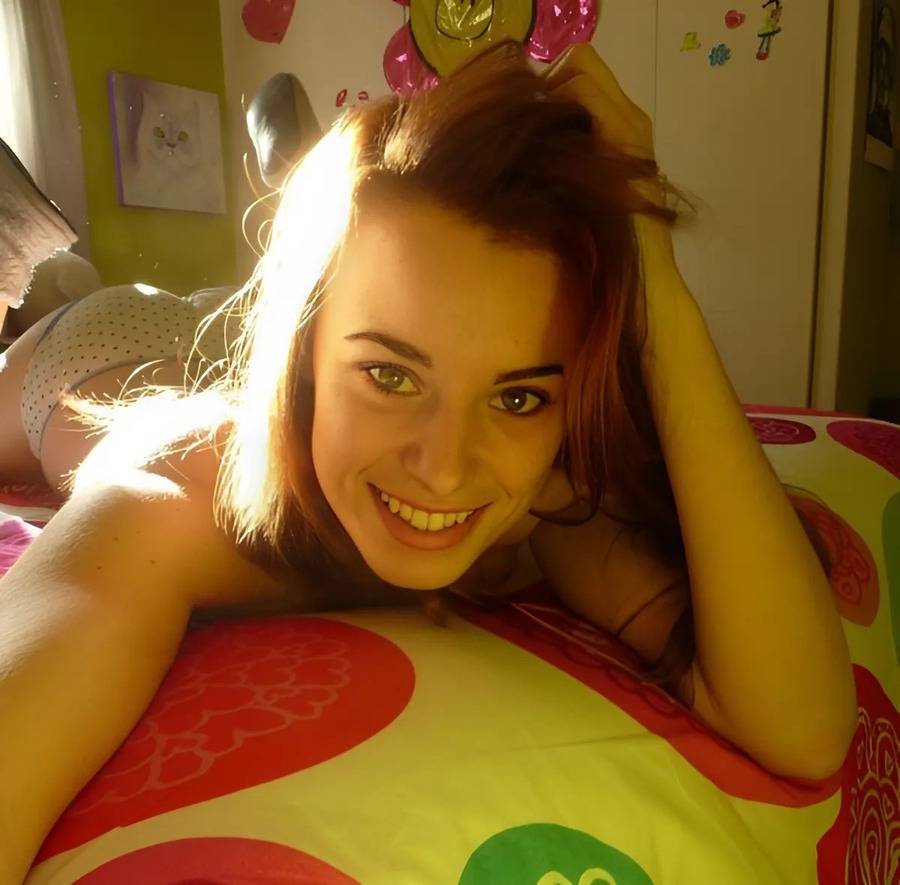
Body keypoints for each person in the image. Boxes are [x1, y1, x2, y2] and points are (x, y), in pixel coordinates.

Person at [0, 40, 856, 881]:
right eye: (391, 377)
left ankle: (314, 210)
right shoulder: (167, 498)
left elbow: (804, 729)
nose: (446, 471)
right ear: (305, 360)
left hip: (298, 312)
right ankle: (293, 178)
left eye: (518, 397)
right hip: (97, 349)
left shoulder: (542, 504)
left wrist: (655, 284)